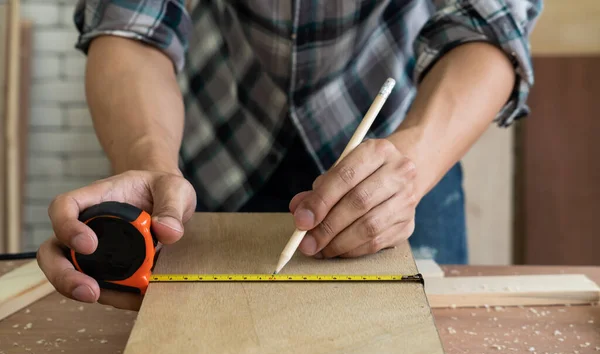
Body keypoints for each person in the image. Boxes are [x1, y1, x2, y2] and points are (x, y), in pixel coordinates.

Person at [36, 0, 542, 309]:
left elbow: (490, 23)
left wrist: (417, 161)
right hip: (225, 139)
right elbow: (132, 24)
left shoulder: (407, 163)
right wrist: (148, 161)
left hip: (405, 150)